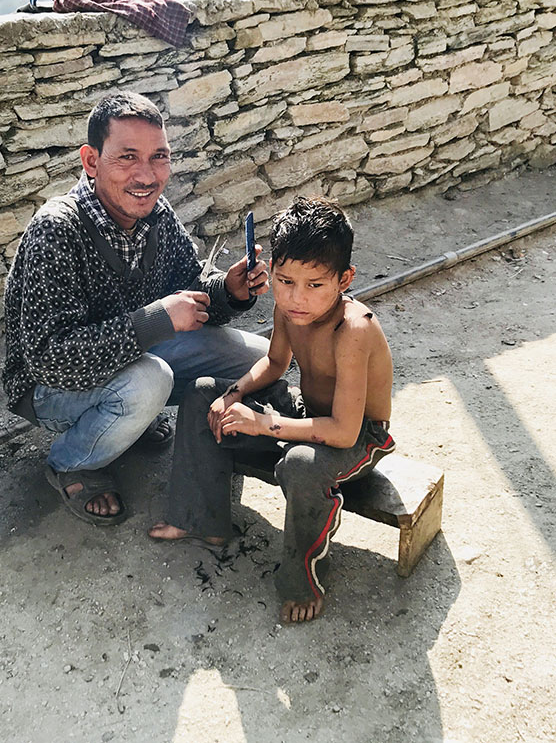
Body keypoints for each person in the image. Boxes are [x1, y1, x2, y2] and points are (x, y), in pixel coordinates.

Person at [2, 92, 270, 526]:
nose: (146, 175)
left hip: (132, 358)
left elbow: (191, 291)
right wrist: (157, 320)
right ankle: (71, 463)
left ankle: (134, 422)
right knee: (149, 382)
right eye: (128, 157)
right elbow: (50, 360)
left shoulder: (155, 215)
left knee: (258, 359)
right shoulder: (57, 230)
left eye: (158, 157)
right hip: (47, 388)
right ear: (91, 161)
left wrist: (229, 291)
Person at [149, 196, 396, 624]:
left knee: (301, 464)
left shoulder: (353, 329)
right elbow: (275, 363)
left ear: (344, 279)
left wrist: (264, 424)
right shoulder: (289, 308)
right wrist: (234, 394)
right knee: (203, 392)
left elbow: (342, 431)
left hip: (360, 436)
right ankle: (199, 519)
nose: (297, 297)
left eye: (315, 285)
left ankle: (302, 583)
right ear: (273, 272)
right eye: (285, 281)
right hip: (306, 410)